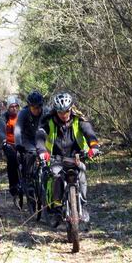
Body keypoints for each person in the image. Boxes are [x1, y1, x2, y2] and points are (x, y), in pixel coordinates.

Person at [35, 92, 99, 226]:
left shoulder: (79, 119)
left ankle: (83, 206)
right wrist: (42, 151)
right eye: (60, 112)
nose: (64, 115)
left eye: (66, 111)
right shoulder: (49, 121)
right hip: (56, 158)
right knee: (56, 176)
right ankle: (57, 209)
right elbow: (40, 136)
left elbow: (89, 133)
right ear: (56, 111)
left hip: (76, 156)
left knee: (81, 174)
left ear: (71, 108)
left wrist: (93, 147)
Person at [14, 90, 45, 189]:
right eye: (33, 107)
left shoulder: (46, 112)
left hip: (42, 139)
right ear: (29, 106)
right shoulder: (23, 113)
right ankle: (29, 178)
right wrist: (18, 144)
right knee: (32, 154)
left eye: (38, 107)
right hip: (28, 139)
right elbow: (18, 129)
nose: (36, 110)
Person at [0, 95, 21, 202]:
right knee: (12, 161)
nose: (14, 108)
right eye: (12, 106)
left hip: (22, 144)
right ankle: (13, 186)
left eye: (16, 106)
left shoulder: (22, 116)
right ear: (8, 108)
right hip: (9, 144)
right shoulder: (4, 117)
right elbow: (1, 131)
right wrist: (4, 141)